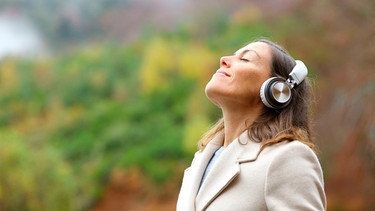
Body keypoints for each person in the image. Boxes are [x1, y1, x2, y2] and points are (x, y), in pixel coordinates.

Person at [176, 39, 326, 210]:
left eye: (245, 59)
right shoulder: (198, 163)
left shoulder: (287, 157)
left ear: (276, 89)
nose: (224, 60)